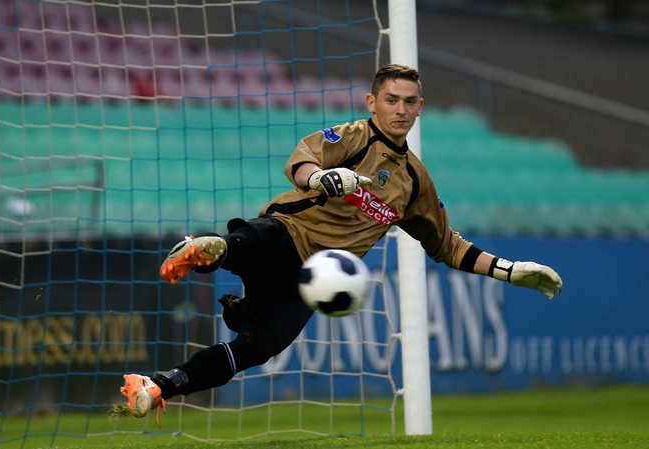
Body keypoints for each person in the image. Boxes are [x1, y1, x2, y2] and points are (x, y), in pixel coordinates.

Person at [118, 63, 563, 425]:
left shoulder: (413, 181)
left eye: (409, 102)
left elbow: (446, 245)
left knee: (261, 346)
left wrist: (510, 270)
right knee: (258, 239)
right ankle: (210, 249)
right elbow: (300, 160)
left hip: (313, 280)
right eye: (391, 100)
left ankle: (158, 384)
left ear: (421, 107)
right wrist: (323, 178)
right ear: (373, 102)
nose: (400, 110)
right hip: (288, 233)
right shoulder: (353, 136)